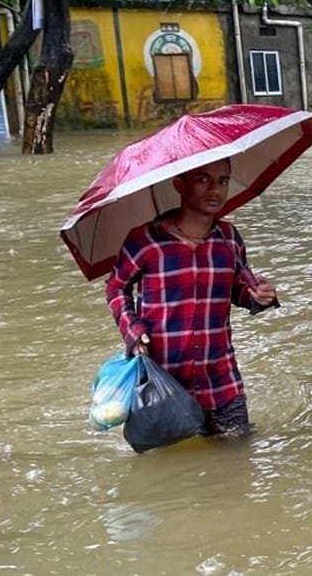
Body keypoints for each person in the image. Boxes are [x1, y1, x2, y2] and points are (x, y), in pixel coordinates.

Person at [106, 159, 278, 438]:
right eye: (202, 180)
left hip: (222, 383)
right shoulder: (146, 240)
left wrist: (261, 297)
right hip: (165, 385)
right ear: (179, 184)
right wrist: (134, 332)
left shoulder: (229, 238)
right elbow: (116, 288)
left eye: (223, 181)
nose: (215, 190)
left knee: (238, 467)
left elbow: (239, 290)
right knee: (165, 472)